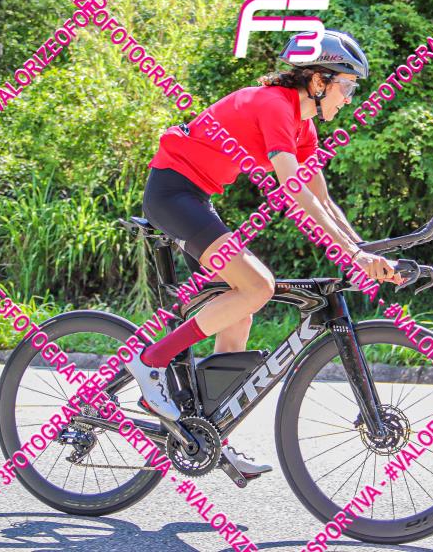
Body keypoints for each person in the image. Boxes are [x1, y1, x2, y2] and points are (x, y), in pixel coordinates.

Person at [127, 30, 403, 476]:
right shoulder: (275, 105)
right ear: (318, 80)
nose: (349, 99)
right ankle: (151, 361)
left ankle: (210, 432)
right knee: (258, 286)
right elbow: (294, 192)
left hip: (197, 198)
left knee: (239, 312)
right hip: (172, 194)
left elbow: (322, 199)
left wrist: (364, 251)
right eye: (347, 87)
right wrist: (353, 256)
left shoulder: (303, 127)